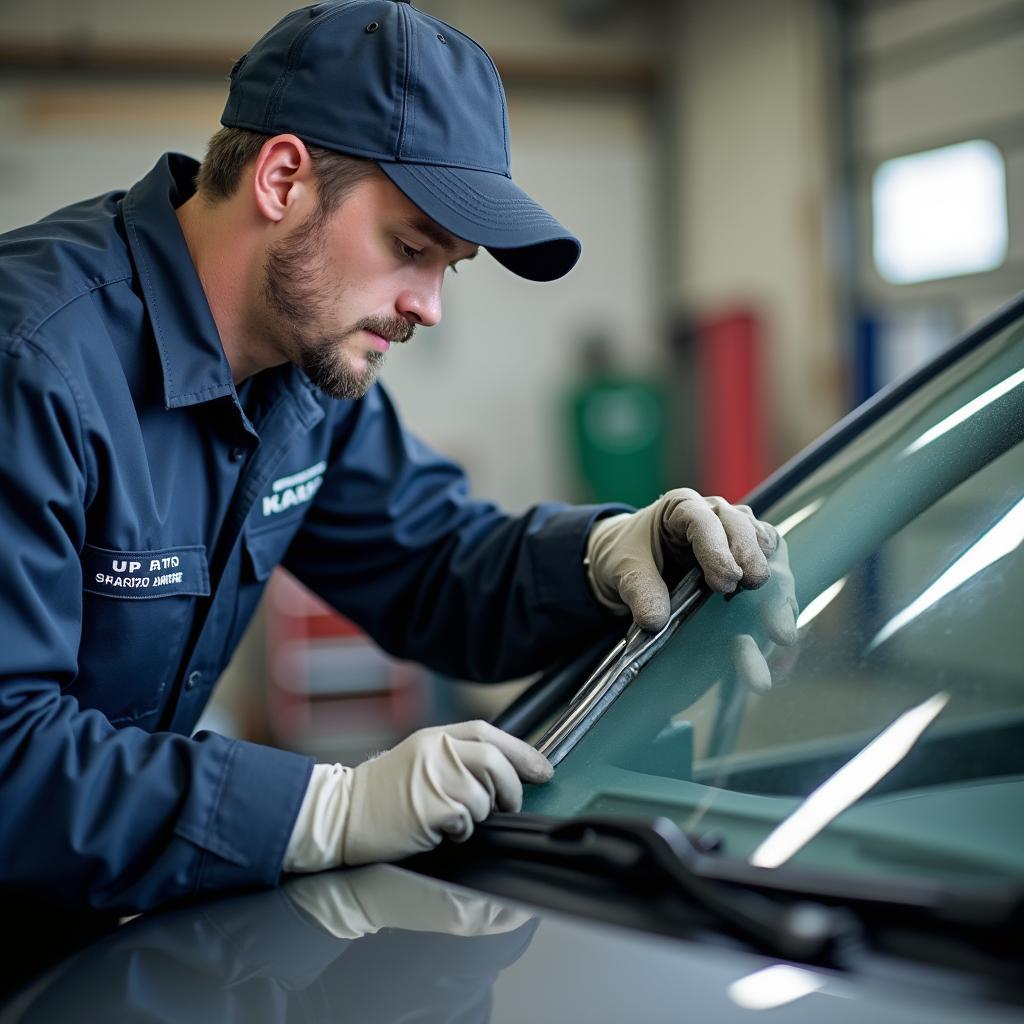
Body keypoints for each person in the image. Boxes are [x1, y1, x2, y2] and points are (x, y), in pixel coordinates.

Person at [0, 0, 795, 913]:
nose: (428, 307)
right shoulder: (32, 364)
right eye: (409, 248)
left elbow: (430, 563)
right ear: (283, 178)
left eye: (447, 266)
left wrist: (600, 557)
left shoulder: (302, 378)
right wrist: (321, 810)